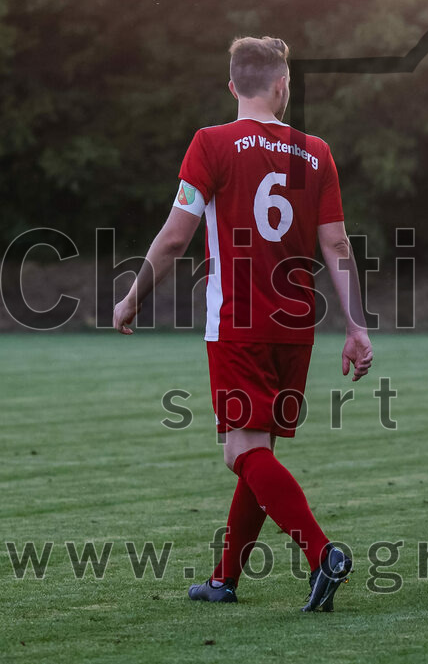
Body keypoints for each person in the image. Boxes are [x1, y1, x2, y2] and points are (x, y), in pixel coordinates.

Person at [113, 36, 373, 611]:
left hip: (238, 322)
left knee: (241, 453)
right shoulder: (316, 152)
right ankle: (224, 579)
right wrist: (356, 325)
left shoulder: (211, 144)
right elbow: (335, 243)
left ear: (232, 85)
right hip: (296, 326)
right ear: (283, 86)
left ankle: (322, 553)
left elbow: (178, 235)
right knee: (257, 450)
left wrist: (133, 295)